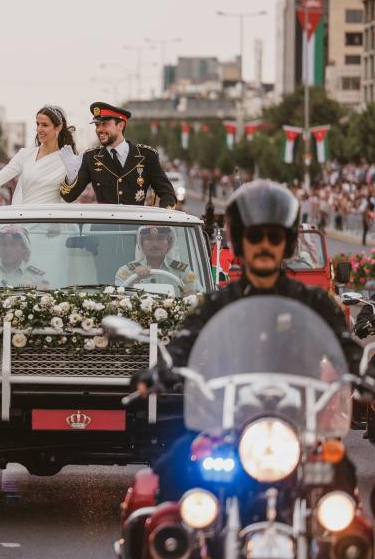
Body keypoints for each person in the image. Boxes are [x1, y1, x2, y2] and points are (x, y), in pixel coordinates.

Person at [137, 181, 362, 502]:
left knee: (341, 477)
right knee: (173, 468)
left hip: (298, 425)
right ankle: (171, 548)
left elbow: (346, 348)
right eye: (255, 236)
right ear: (240, 241)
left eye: (275, 237)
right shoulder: (217, 303)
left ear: (287, 243)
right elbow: (183, 343)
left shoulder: (316, 303)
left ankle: (337, 552)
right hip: (227, 422)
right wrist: (162, 369)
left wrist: (363, 373)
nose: (265, 245)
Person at [59, 102, 177, 208]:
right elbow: (69, 197)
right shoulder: (91, 157)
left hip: (135, 228)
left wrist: (159, 220)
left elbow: (168, 194)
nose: (99, 129)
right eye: (97, 125)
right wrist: (71, 177)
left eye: (104, 124)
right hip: (104, 228)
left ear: (120, 126)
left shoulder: (147, 156)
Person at [0, 105, 76, 205]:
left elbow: (70, 197)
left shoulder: (69, 160)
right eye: (38, 124)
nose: (39, 129)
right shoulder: (25, 154)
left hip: (52, 219)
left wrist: (72, 177)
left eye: (45, 125)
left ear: (58, 127)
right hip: (25, 218)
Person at [114, 226, 199, 294]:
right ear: (141, 244)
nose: (155, 244)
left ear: (169, 244)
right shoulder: (127, 271)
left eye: (160, 238)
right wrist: (136, 279)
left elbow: (201, 295)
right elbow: (115, 298)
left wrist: (192, 294)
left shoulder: (182, 271)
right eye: (149, 239)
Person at [0, 225, 49, 289]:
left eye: (13, 245)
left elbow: (47, 304)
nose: (7, 249)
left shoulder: (37, 277)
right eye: (3, 244)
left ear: (24, 248)